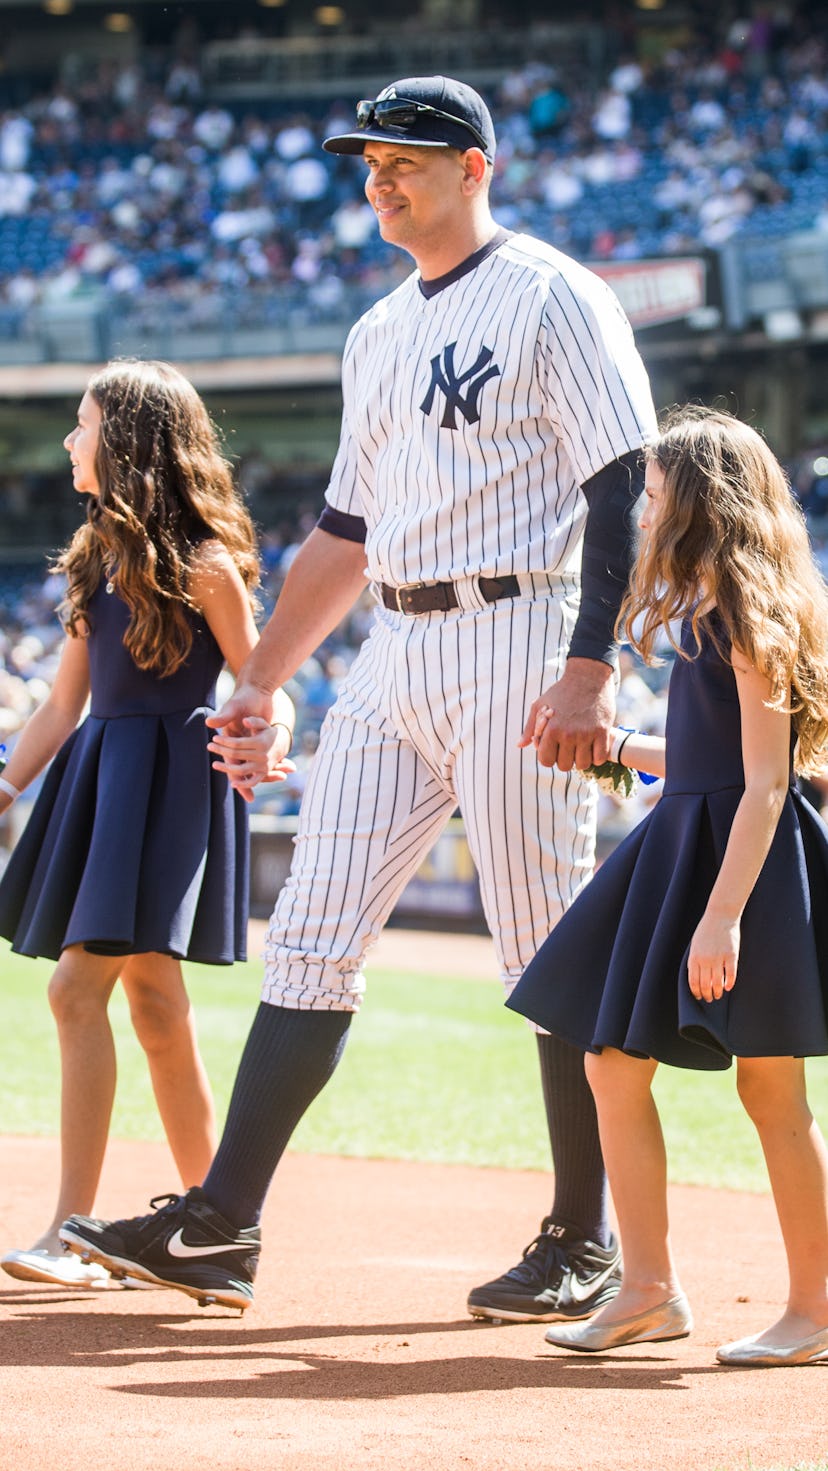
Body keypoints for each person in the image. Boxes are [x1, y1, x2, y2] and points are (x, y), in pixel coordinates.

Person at [59, 76, 657, 1317]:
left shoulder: (556, 293)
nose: (382, 178)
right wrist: (261, 678)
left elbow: (624, 485)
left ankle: (583, 1236)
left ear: (476, 168)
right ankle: (222, 1222)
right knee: (316, 927)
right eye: (372, 160)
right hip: (397, 643)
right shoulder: (377, 328)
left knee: (548, 940)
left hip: (522, 631)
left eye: (411, 159)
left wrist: (591, 664)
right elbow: (344, 527)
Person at [508, 408, 828, 1367]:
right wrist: (612, 751)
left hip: (743, 863)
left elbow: (768, 783)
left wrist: (723, 916)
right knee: (609, 1061)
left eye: (652, 495)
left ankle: (815, 1306)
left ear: (699, 502)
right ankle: (647, 1290)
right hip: (688, 839)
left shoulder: (748, 612)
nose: (641, 513)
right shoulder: (706, 608)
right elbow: (708, 758)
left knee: (773, 1092)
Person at [0, 359, 294, 1289]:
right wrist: (4, 787)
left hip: (174, 787)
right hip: (102, 776)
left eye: (81, 426)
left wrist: (267, 736)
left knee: (75, 993)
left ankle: (66, 1233)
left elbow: (263, 687)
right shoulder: (93, 557)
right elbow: (60, 706)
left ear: (124, 441)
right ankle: (218, 1236)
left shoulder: (208, 563)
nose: (69, 443)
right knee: (158, 1011)